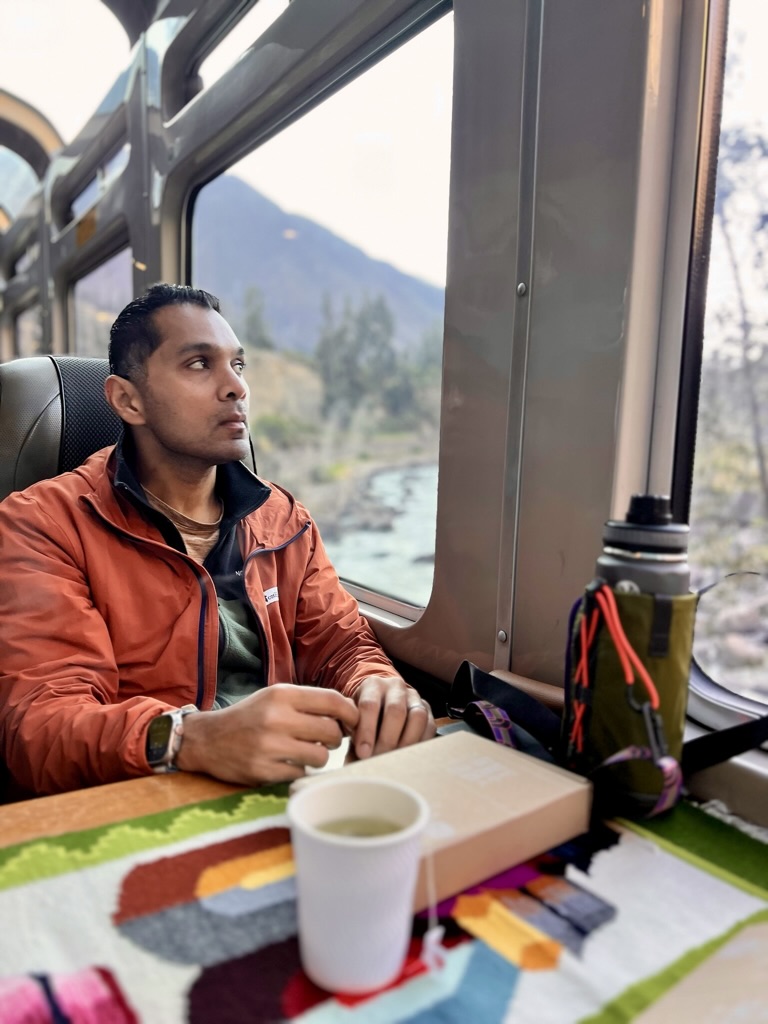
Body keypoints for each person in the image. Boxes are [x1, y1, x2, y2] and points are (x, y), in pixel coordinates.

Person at [0, 284, 435, 797]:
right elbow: (43, 726)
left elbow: (342, 645)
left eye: (239, 365)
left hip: (286, 784)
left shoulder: (283, 518)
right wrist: (190, 738)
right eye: (199, 364)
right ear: (127, 399)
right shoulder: (43, 524)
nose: (235, 388)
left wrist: (375, 686)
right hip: (141, 793)